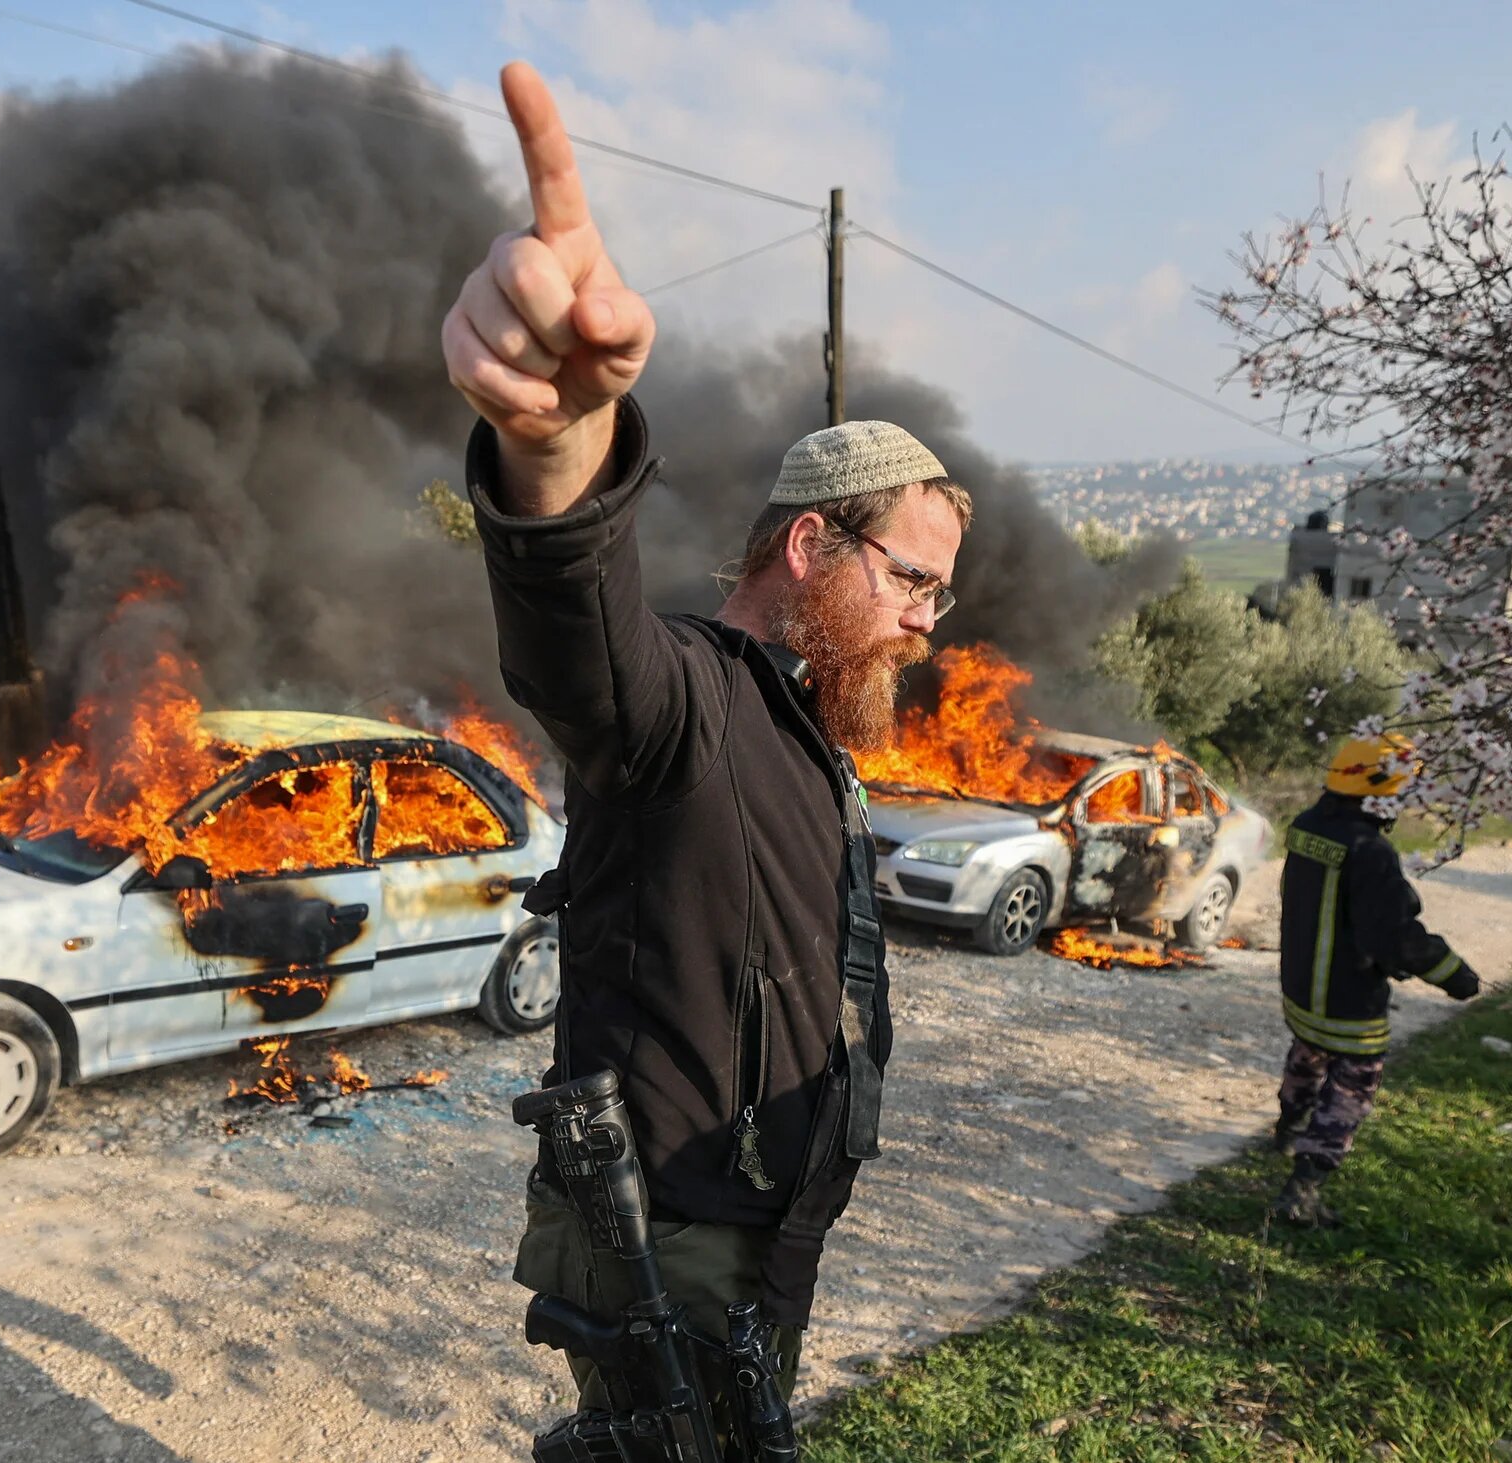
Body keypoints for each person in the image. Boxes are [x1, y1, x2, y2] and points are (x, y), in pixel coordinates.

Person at [440, 63, 972, 1407]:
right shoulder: (684, 698)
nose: (925, 623)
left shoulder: (805, 721)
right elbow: (584, 644)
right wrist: (557, 454)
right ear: (811, 540)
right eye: (912, 578)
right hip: (666, 1239)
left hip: (758, 1232)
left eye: (939, 591)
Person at [1270, 733, 1477, 1225]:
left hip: (1301, 989)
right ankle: (1303, 1191)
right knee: (1349, 1090)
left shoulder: (1305, 827)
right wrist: (1456, 975)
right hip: (1351, 1003)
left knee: (1306, 1055)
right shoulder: (1370, 851)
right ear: (1379, 792)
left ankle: (1286, 1126)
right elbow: (1395, 938)